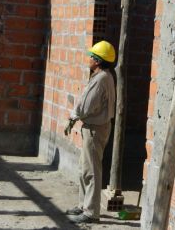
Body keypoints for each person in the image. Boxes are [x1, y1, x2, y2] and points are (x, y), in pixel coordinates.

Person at [64, 40, 116, 224]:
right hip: (94, 128)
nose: (89, 58)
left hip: (95, 129)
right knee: (84, 168)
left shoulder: (101, 79)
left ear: (98, 60)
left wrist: (74, 116)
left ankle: (91, 213)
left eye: (92, 56)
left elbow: (87, 106)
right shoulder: (102, 76)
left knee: (92, 170)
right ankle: (83, 204)